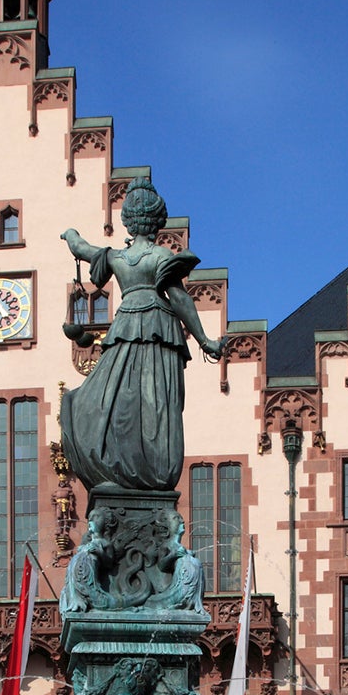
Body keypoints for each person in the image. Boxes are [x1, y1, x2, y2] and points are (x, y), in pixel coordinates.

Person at [59, 180, 225, 493]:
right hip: (161, 330)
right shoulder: (162, 257)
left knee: (119, 398)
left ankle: (123, 461)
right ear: (158, 222)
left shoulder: (117, 258)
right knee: (155, 401)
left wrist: (70, 235)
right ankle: (151, 463)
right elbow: (180, 299)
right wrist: (205, 341)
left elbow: (81, 249)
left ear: (128, 221)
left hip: (127, 330)